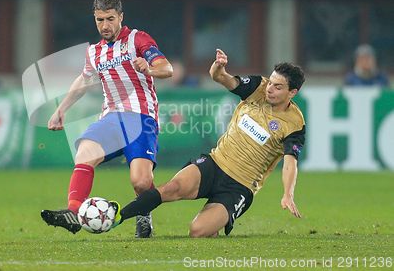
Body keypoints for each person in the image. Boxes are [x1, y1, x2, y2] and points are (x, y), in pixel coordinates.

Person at [111, 49, 305, 237]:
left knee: (198, 231)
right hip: (215, 163)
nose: (270, 89)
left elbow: (290, 162)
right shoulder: (258, 88)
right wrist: (218, 68)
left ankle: (216, 220)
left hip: (240, 186)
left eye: (278, 87)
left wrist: (288, 194)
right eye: (271, 82)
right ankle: (117, 217)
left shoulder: (294, 123)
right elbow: (221, 78)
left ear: (292, 92)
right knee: (171, 188)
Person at [41, 0, 173, 238]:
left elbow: (168, 69)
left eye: (110, 19)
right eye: (99, 19)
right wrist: (61, 110)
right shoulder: (94, 52)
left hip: (141, 116)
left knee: (141, 183)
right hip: (111, 118)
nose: (105, 25)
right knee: (84, 153)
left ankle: (144, 215)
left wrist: (150, 68)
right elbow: (84, 80)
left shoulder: (137, 40)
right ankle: (73, 212)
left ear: (120, 17)